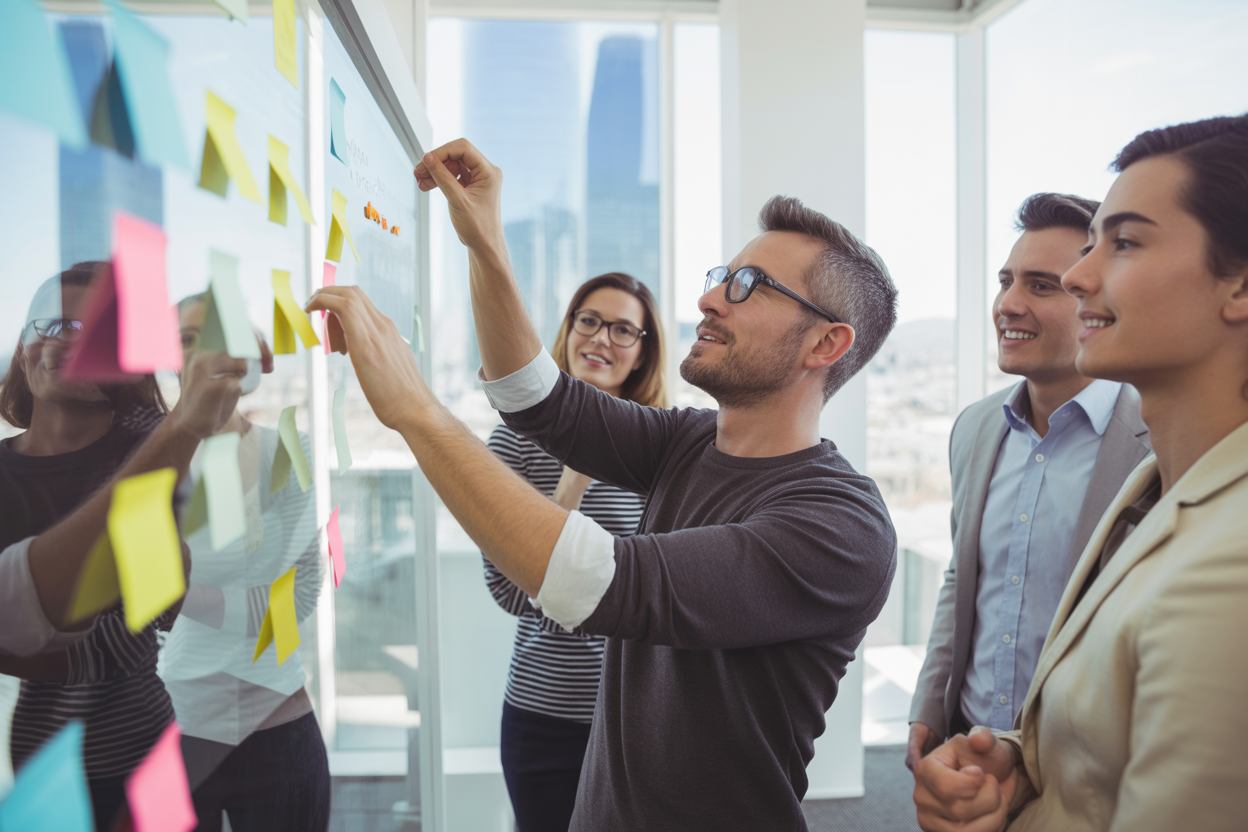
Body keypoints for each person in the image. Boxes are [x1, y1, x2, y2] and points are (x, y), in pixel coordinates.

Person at [306, 138, 899, 830]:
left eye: (748, 285)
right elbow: (534, 397)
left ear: (826, 344)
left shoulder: (842, 527)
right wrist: (485, 241)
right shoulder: (687, 441)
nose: (709, 298)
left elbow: (599, 582)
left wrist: (416, 410)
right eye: (722, 276)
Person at [913, 114, 1248, 831]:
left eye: (1124, 242)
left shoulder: (1231, 561)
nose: (1077, 276)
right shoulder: (1163, 486)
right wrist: (1022, 763)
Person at [905, 194, 1151, 771]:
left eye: (1041, 286)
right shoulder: (975, 428)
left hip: (1088, 761)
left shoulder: (1156, 439)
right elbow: (963, 576)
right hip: (968, 745)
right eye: (1005, 281)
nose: (1008, 305)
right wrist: (930, 707)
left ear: (1101, 299)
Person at [0, 263, 242, 831]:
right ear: (24, 348)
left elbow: (142, 627)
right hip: (38, 752)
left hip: (141, 750)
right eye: (53, 323)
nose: (67, 341)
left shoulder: (154, 452)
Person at [483, 272, 665, 832]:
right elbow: (509, 593)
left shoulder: (662, 449)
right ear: (568, 330)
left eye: (623, 329)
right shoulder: (514, 442)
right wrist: (571, 485)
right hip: (544, 714)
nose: (601, 338)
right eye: (589, 320)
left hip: (639, 716)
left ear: (642, 353)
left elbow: (665, 593)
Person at [156, 294, 329, 832]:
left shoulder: (288, 451)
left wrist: (188, 597)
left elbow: (302, 594)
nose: (201, 351)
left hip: (279, 731)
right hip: (180, 732)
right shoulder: (145, 463)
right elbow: (143, 596)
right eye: (186, 339)